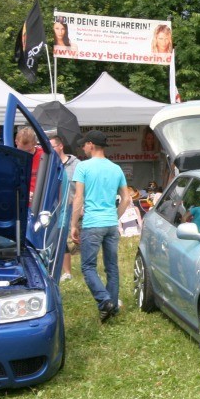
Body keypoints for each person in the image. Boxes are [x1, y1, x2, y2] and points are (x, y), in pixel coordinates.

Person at [70, 130, 131, 323]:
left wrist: (73, 225)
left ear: (91, 144)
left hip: (93, 223)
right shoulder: (116, 168)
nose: (83, 148)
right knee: (111, 267)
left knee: (88, 266)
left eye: (84, 144)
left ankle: (105, 301)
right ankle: (112, 307)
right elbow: (127, 198)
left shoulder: (82, 167)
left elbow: (78, 198)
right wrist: (114, 216)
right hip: (111, 224)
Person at [49, 134, 80, 282]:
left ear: (60, 146)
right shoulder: (49, 164)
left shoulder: (76, 165)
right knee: (57, 239)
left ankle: (71, 271)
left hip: (72, 207)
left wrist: (80, 204)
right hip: (54, 208)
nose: (50, 150)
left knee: (68, 239)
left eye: (52, 147)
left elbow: (82, 188)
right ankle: (61, 270)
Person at [14, 126, 44, 204]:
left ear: (35, 143)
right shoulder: (11, 157)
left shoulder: (44, 156)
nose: (25, 154)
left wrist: (36, 195)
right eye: (21, 151)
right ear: (16, 142)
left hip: (38, 203)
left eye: (28, 151)